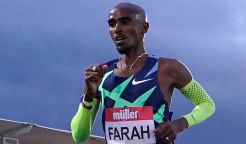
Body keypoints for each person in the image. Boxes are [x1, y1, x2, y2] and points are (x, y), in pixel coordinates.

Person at [71, 2, 215, 144]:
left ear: (144, 27)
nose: (117, 29)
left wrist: (179, 124)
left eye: (125, 22)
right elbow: (79, 137)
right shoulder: (101, 74)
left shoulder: (168, 68)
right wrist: (89, 96)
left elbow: (207, 104)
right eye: (112, 24)